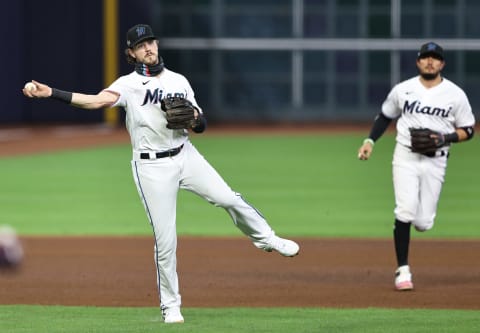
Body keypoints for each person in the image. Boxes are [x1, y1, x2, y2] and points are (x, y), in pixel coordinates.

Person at [22, 24, 299, 323]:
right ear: (131, 53)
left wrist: (193, 117)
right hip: (151, 166)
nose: (148, 48)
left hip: (186, 154)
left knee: (228, 198)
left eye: (150, 42)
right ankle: (171, 305)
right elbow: (96, 101)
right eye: (141, 46)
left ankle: (267, 238)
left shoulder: (179, 80)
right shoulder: (127, 85)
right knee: (166, 241)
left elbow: (201, 124)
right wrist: (51, 93)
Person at [357, 42, 475, 291]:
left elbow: (468, 130)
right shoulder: (404, 89)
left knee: (423, 222)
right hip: (406, 157)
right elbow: (385, 115)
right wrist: (370, 141)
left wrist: (446, 137)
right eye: (425, 57)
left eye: (435, 58)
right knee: (405, 210)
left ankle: (414, 236)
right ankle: (403, 270)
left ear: (442, 64)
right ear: (418, 62)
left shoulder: (455, 94)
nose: (430, 62)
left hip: (437, 159)